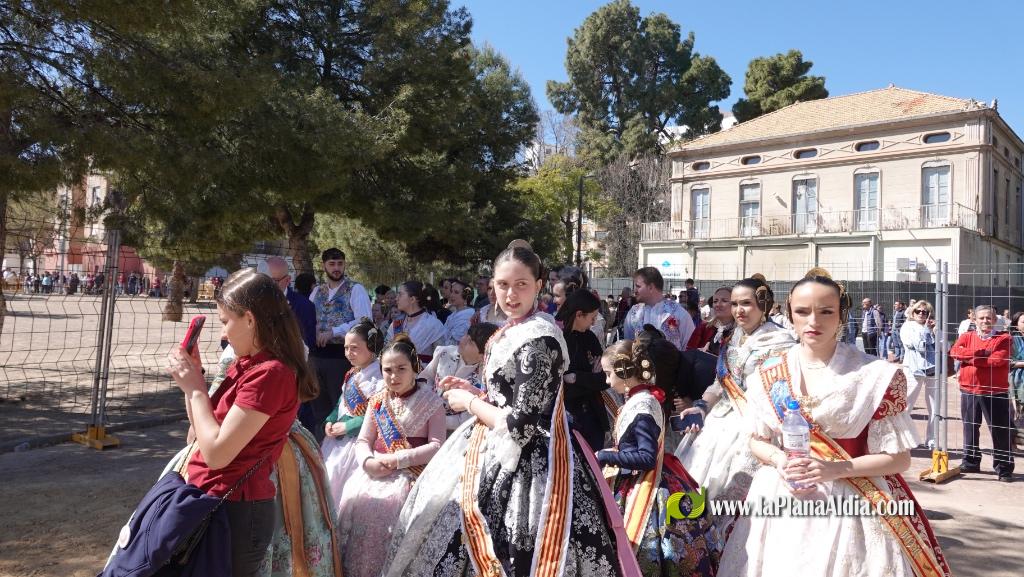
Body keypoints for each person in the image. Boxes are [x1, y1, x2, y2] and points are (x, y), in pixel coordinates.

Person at [382, 241, 624, 577]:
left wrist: (469, 403)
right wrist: (478, 392)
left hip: (531, 464)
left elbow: (521, 426)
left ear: (538, 285)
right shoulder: (514, 328)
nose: (511, 294)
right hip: (490, 444)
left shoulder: (540, 339)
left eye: (521, 284)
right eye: (502, 284)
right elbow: (512, 394)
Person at [719, 268, 951, 577]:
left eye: (826, 311)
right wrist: (780, 460)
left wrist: (835, 468)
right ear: (790, 314)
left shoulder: (875, 375)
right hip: (781, 496)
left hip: (853, 501)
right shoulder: (768, 372)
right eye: (803, 312)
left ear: (841, 314)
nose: (813, 321)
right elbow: (757, 440)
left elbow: (899, 459)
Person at [166, 269, 319, 577]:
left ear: (250, 319)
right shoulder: (247, 364)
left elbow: (217, 454)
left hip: (235, 511)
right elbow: (198, 434)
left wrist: (195, 389)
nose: (223, 333)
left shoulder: (270, 373)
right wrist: (194, 382)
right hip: (215, 500)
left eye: (225, 321)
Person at [675, 275, 796, 536]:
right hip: (719, 422)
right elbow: (720, 384)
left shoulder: (781, 342)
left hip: (755, 426)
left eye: (746, 303)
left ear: (763, 304)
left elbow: (781, 395)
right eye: (735, 304)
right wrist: (701, 407)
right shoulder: (734, 337)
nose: (739, 310)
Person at [598, 332, 721, 576]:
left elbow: (646, 457)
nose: (607, 381)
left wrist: (605, 456)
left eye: (609, 374)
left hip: (649, 488)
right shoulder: (642, 397)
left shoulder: (642, 405)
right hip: (642, 480)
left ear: (624, 371)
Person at [336, 335, 446, 577]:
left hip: (412, 475)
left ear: (415, 368)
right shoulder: (377, 401)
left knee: (393, 512)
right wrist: (368, 463)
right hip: (374, 472)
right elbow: (363, 440)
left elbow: (437, 446)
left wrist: (398, 459)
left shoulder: (432, 402)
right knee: (353, 500)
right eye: (387, 370)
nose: (394, 376)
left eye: (401, 369)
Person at [309, 248, 373, 443]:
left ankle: (340, 449)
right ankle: (320, 450)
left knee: (341, 407)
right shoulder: (317, 291)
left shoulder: (355, 289)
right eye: (332, 264)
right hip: (316, 357)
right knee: (318, 409)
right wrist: (315, 330)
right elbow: (310, 318)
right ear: (324, 266)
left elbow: (364, 320)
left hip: (342, 357)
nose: (336, 268)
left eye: (340, 264)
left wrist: (334, 331)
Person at [321, 319, 385, 503]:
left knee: (340, 483)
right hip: (336, 439)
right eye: (346, 347)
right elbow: (340, 403)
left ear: (371, 346)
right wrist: (330, 420)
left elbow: (378, 414)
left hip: (358, 441)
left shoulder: (380, 378)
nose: (349, 353)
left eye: (354, 348)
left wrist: (348, 426)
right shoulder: (352, 373)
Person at [950, 305, 1015, 482]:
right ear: (974, 320)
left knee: (999, 430)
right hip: (969, 389)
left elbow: (997, 360)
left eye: (989, 318)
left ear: (995, 320)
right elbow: (954, 352)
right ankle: (970, 461)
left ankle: (1004, 468)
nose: (985, 321)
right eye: (981, 318)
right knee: (970, 427)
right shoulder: (966, 336)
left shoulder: (1004, 338)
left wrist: (968, 358)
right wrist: (982, 353)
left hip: (995, 391)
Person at [556, 288, 612, 451]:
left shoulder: (589, 338)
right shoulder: (557, 339)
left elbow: (605, 379)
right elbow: (561, 388)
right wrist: (590, 377)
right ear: (579, 314)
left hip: (593, 417)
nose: (594, 323)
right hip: (565, 419)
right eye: (592, 318)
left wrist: (577, 377)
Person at [420, 322, 499, 433]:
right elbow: (426, 377)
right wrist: (426, 401)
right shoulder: (445, 353)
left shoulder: (484, 379)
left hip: (451, 431)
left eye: (471, 342)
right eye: (467, 335)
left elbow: (465, 420)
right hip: (424, 411)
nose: (464, 340)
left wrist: (434, 420)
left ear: (483, 356)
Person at [624, 267, 694, 350]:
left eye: (638, 286)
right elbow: (628, 345)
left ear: (650, 287)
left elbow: (690, 347)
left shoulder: (678, 313)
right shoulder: (633, 313)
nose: (634, 290)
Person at [900, 300, 938, 449]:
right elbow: (916, 346)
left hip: (933, 369)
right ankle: (902, 438)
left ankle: (932, 439)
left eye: (925, 312)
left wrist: (935, 332)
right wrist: (928, 332)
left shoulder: (935, 327)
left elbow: (943, 346)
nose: (921, 314)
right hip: (913, 370)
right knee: (907, 404)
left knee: (935, 407)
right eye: (918, 311)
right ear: (913, 312)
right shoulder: (908, 326)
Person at [387, 280, 446, 363]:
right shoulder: (396, 324)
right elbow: (387, 351)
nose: (396, 298)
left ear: (412, 299)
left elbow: (442, 358)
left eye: (400, 294)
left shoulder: (433, 324)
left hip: (424, 370)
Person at [266, 257, 316, 350]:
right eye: (264, 280)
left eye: (274, 281)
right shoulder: (253, 302)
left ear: (288, 280)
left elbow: (308, 344)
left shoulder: (304, 306)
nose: (266, 286)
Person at [686, 286, 732, 353]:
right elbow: (689, 352)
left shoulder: (741, 332)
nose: (718, 304)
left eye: (724, 301)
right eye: (715, 301)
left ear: (735, 305)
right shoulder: (704, 328)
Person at [442, 279, 475, 345]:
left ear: (466, 297)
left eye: (456, 292)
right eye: (451, 291)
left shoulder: (467, 315)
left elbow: (454, 343)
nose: (452, 295)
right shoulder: (454, 314)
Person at [1009, 312, 1024, 448]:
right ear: (1016, 325)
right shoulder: (1011, 340)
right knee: (1017, 412)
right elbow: (1007, 362)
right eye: (1023, 322)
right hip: (1017, 380)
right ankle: (1014, 442)